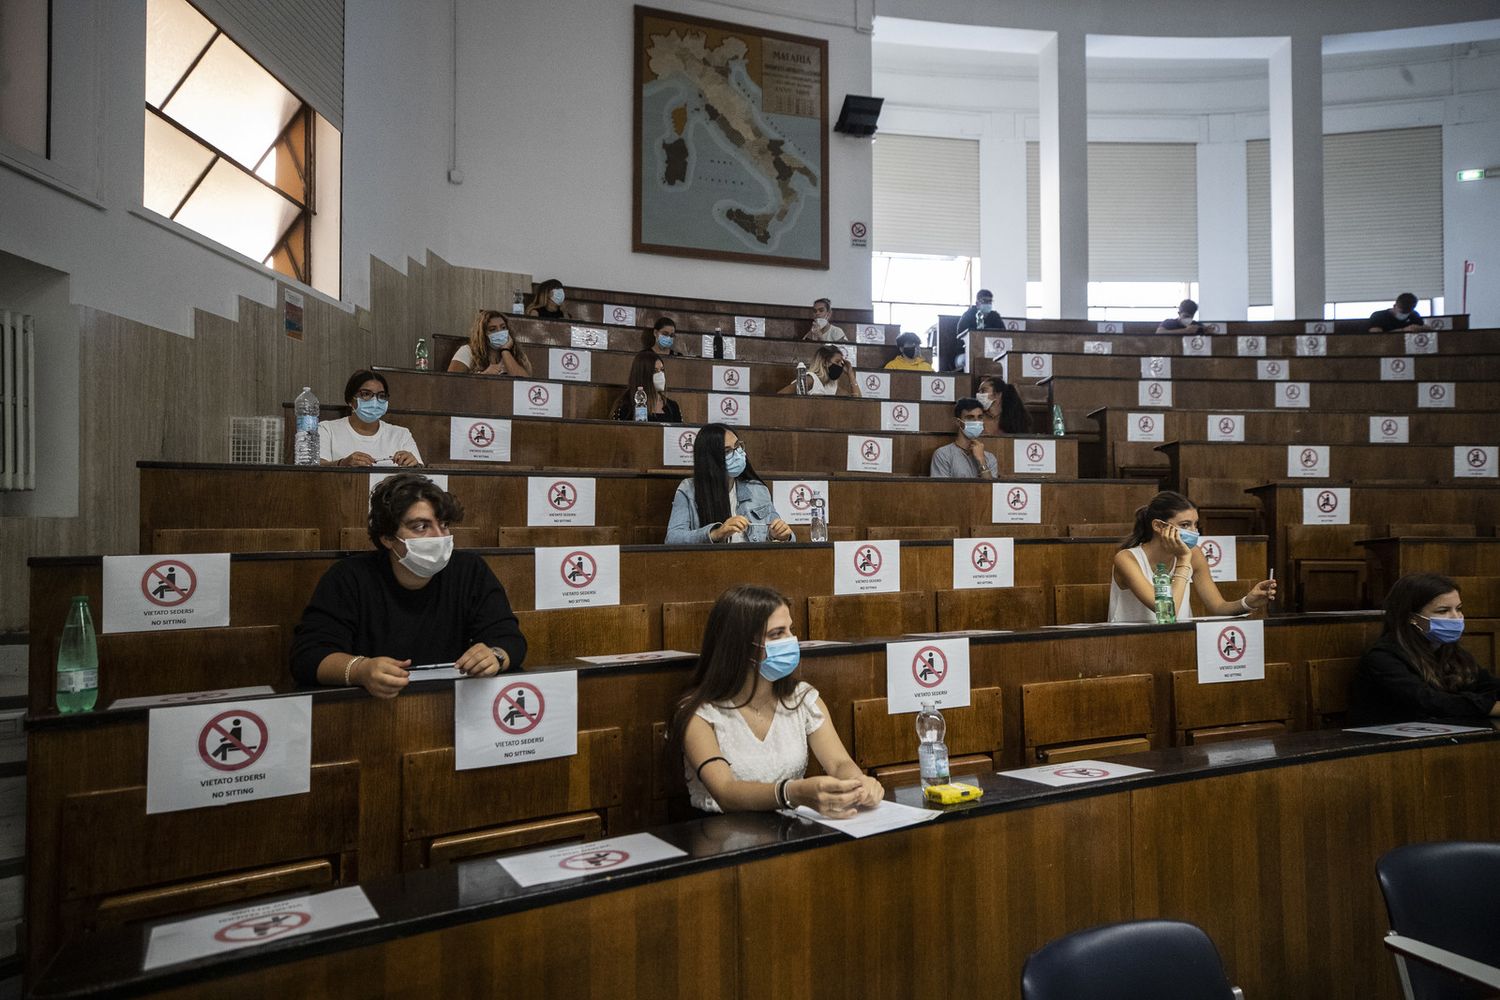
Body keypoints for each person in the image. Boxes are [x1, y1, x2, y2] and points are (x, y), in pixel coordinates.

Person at [289, 474, 527, 697]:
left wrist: (495, 656)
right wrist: (361, 670)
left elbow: (510, 640)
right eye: (420, 527)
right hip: (370, 709)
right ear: (388, 538)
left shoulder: (470, 570)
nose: (438, 536)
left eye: (443, 524)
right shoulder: (349, 577)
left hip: (452, 704)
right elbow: (309, 656)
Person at [674, 584, 886, 817]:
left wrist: (858, 784)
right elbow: (725, 792)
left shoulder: (802, 698)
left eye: (790, 630)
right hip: (721, 833)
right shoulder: (699, 712)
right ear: (740, 645)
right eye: (776, 634)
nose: (790, 640)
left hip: (793, 829)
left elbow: (838, 763)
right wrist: (792, 793)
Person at [1348, 573, 1500, 724]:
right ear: (1411, 617)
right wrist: (1489, 707)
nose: (1456, 617)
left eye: (1459, 609)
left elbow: (1486, 684)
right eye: (1443, 611)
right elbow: (1428, 701)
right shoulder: (1382, 657)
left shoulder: (1449, 650)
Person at [1108, 491, 1276, 623]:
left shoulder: (1194, 554)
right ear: (1159, 526)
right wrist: (1183, 559)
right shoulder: (1126, 559)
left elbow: (1218, 606)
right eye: (1185, 525)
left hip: (1178, 640)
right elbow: (1166, 609)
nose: (1194, 531)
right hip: (1130, 644)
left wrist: (1248, 602)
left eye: (1195, 524)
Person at [666, 424, 794, 544]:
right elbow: (673, 538)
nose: (737, 454)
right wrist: (716, 533)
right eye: (727, 451)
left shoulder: (758, 489)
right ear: (710, 459)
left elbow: (783, 534)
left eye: (738, 446)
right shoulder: (688, 489)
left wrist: (781, 535)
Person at [319, 370, 423, 468]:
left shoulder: (401, 435)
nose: (374, 401)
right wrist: (341, 463)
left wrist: (414, 465)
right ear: (350, 400)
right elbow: (314, 469)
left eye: (381, 396)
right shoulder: (327, 429)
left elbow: (422, 475)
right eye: (366, 394)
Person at [448, 310, 533, 377]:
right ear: (482, 334)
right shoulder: (467, 351)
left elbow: (524, 383)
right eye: (492, 329)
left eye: (503, 327)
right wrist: (484, 375)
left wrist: (505, 350)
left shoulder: (516, 354)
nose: (500, 332)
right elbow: (452, 382)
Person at [930, 398, 999, 479]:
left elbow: (991, 489)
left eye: (979, 417)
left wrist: (982, 461)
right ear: (958, 422)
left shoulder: (989, 458)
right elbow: (940, 488)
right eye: (970, 417)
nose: (976, 422)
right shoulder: (943, 454)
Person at [611, 349, 683, 423]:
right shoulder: (625, 406)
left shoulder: (672, 406)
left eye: (662, 370)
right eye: (655, 371)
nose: (660, 374)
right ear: (642, 374)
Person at [954, 288, 1006, 369]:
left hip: (992, 352)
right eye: (985, 301)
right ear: (977, 303)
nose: (988, 304)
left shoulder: (995, 317)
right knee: (966, 360)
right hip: (965, 353)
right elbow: (960, 339)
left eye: (990, 301)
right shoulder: (967, 316)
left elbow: (1004, 334)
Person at [779, 345, 860, 396]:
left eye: (841, 363)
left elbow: (856, 402)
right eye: (837, 362)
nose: (840, 366)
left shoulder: (831, 385)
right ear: (825, 362)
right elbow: (780, 397)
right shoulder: (810, 379)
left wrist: (850, 374)